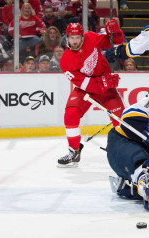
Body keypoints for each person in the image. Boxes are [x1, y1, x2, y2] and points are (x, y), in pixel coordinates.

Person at [57, 21, 125, 168]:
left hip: (106, 90)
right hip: (85, 90)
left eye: (77, 37)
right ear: (67, 38)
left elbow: (117, 42)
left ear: (82, 36)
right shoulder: (65, 61)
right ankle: (74, 151)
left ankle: (125, 151)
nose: (75, 41)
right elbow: (83, 83)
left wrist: (114, 32)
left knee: (121, 122)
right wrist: (104, 82)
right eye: (71, 38)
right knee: (70, 115)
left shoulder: (91, 38)